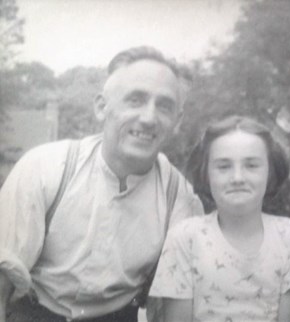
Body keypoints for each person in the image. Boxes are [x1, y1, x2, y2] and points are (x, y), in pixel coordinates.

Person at [0, 46, 203, 322]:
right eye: (135, 100)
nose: (148, 118)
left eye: (164, 106)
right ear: (101, 107)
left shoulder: (180, 200)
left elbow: (173, 306)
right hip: (33, 312)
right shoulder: (44, 168)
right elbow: (3, 276)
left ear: (177, 121)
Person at [148, 115, 290, 322]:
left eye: (251, 165)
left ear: (270, 172)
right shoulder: (185, 237)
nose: (237, 178)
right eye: (224, 166)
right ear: (205, 173)